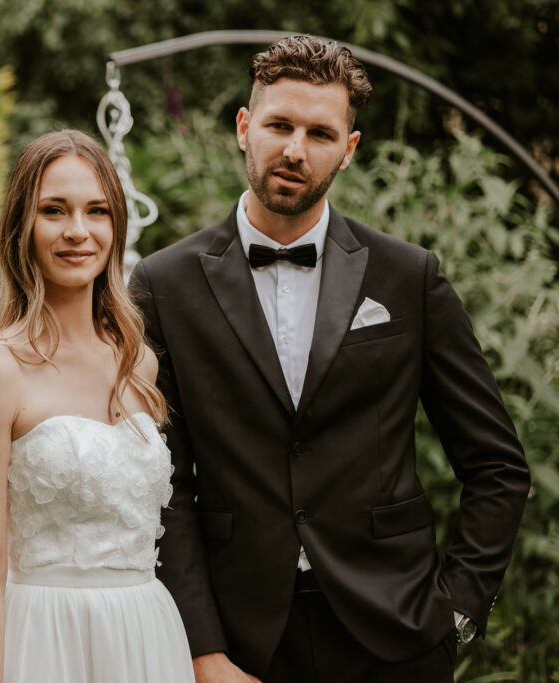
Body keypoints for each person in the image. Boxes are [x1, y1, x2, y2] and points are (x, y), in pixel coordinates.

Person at [129, 35, 530, 683]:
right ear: (244, 126)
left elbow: (497, 465)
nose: (295, 149)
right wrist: (201, 648)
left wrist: (454, 611)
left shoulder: (409, 277)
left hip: (395, 636)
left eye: (320, 133)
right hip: (242, 641)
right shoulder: (163, 283)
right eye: (279, 125)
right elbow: (163, 484)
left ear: (349, 149)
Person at [0, 129, 194, 683]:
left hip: (145, 638)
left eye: (97, 211)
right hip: (44, 641)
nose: (78, 231)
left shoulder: (138, 363)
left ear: (116, 225)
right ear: (22, 226)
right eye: (54, 210)